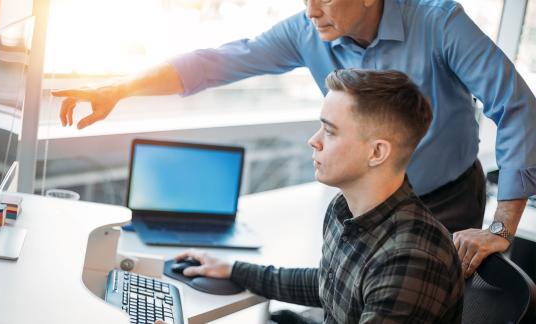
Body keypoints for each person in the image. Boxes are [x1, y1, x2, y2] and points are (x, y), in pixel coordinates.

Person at [53, 0, 536, 277]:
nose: (312, 9)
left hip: (444, 201)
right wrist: (120, 89)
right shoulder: (309, 30)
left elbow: (516, 107)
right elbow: (215, 62)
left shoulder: (437, 20)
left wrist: (500, 228)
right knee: (343, 295)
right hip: (365, 204)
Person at [163, 69, 463, 323]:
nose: (313, 141)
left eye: (330, 132)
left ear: (377, 152)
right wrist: (233, 270)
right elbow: (327, 283)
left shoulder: (409, 259)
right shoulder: (344, 209)